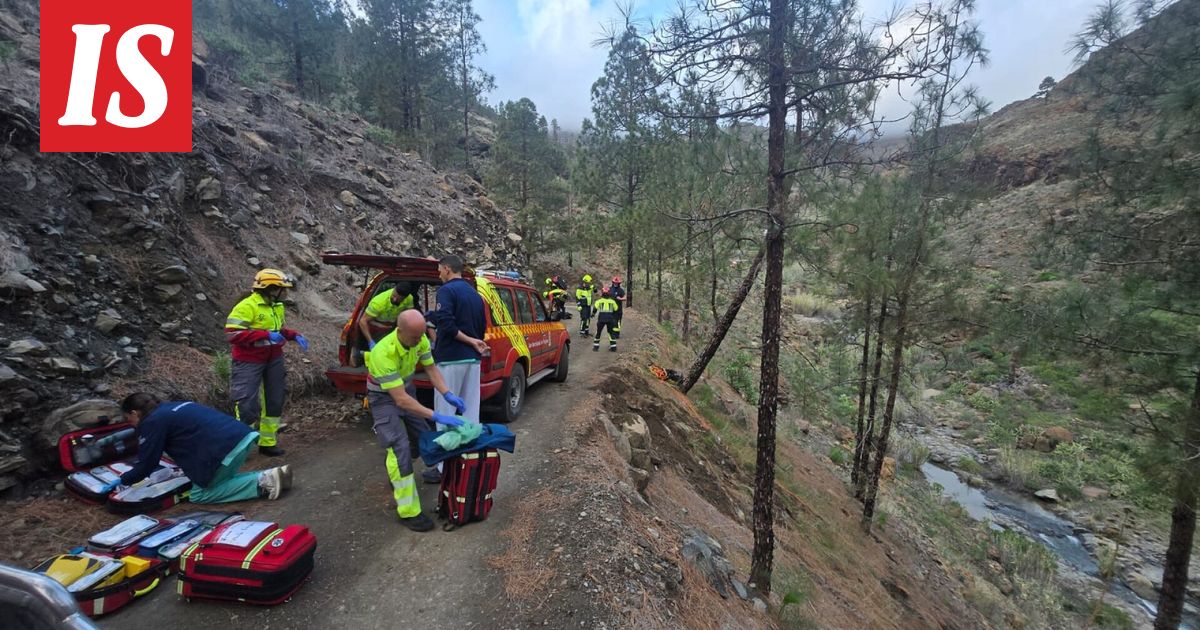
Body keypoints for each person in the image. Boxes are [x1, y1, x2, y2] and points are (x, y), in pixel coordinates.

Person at [365, 310, 467, 531]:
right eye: (414, 337)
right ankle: (408, 511)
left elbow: (430, 368)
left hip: (405, 389)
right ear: (399, 331)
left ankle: (404, 470)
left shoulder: (418, 338)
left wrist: (448, 393)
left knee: (421, 438)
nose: (419, 341)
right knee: (398, 447)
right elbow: (400, 400)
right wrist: (436, 415)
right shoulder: (383, 353)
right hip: (383, 398)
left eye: (421, 335)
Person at [101, 393, 292, 503]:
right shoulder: (174, 406)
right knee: (219, 479)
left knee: (201, 494)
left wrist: (123, 480)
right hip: (243, 437)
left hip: (225, 449)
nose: (132, 424)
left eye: (129, 419)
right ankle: (273, 475)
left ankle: (262, 481)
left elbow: (147, 464)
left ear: (135, 413)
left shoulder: (152, 422)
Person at [225, 269, 308, 457]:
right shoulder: (247, 306)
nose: (286, 293)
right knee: (246, 404)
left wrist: (294, 335)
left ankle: (268, 443)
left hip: (273, 359)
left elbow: (278, 330)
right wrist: (266, 335)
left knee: (274, 401)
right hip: (248, 361)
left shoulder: (276, 306)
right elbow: (232, 334)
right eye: (282, 289)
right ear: (271, 289)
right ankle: (241, 447)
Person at [427, 255, 487, 482]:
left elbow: (447, 324)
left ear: (446, 268)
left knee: (445, 413)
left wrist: (469, 341)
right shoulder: (475, 294)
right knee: (471, 411)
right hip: (472, 361)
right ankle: (470, 462)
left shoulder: (446, 291)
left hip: (451, 358)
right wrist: (474, 343)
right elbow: (479, 325)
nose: (438, 274)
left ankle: (443, 469)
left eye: (439, 270)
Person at [358, 281, 419, 350]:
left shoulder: (409, 299)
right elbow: (362, 321)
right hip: (377, 328)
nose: (394, 299)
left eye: (398, 299)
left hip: (393, 327)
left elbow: (410, 314)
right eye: (393, 296)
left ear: (404, 298)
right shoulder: (378, 302)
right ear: (394, 290)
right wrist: (370, 341)